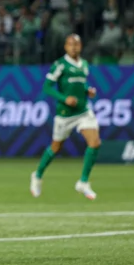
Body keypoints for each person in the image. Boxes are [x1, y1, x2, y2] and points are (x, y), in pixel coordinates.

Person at [31, 34, 101, 200]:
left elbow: (79, 84)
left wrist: (87, 90)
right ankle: (38, 174)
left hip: (83, 111)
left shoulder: (84, 64)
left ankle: (83, 182)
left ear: (81, 46)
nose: (74, 47)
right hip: (65, 115)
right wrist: (64, 99)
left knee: (95, 142)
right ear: (65, 47)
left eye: (76, 44)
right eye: (70, 44)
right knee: (56, 147)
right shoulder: (60, 65)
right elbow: (47, 87)